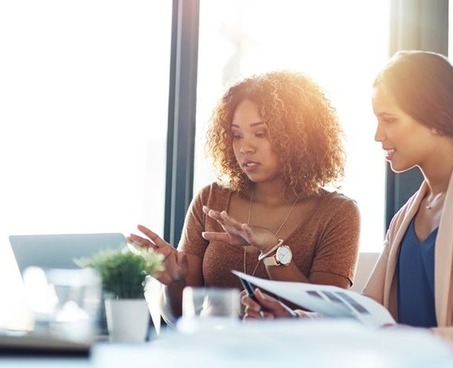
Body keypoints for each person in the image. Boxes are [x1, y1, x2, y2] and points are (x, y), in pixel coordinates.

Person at [242, 51, 453, 358]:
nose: (377, 135)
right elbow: (366, 314)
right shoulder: (405, 219)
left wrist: (419, 340)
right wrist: (293, 321)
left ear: (435, 119)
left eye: (389, 120)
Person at [128, 70, 360, 325]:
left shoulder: (337, 213)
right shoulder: (211, 200)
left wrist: (272, 250)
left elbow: (328, 316)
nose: (245, 148)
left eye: (260, 134)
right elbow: (181, 318)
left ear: (296, 138)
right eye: (237, 135)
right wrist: (175, 280)